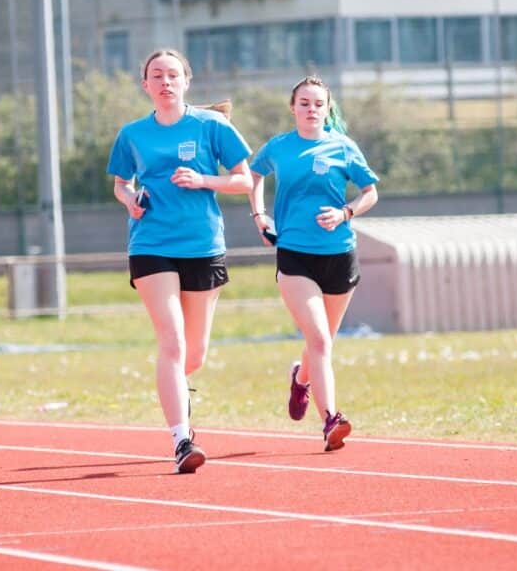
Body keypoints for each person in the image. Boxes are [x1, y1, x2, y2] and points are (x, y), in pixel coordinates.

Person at [107, 49, 253, 473]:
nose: (165, 81)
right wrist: (130, 199)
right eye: (157, 75)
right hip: (151, 243)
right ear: (145, 85)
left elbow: (245, 179)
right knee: (171, 342)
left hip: (203, 244)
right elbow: (121, 183)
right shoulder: (133, 134)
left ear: (186, 80)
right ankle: (181, 440)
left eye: (173, 74)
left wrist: (203, 179)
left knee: (194, 355)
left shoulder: (212, 126)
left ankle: (177, 393)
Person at [247, 76, 379, 451]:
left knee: (322, 342)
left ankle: (300, 379)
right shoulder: (279, 147)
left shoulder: (343, 147)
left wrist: (345, 212)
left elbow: (370, 192)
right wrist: (259, 216)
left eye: (318, 104)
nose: (311, 109)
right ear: (293, 108)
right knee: (319, 339)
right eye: (304, 103)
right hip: (295, 254)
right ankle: (331, 419)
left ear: (327, 108)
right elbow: (254, 175)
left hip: (339, 255)